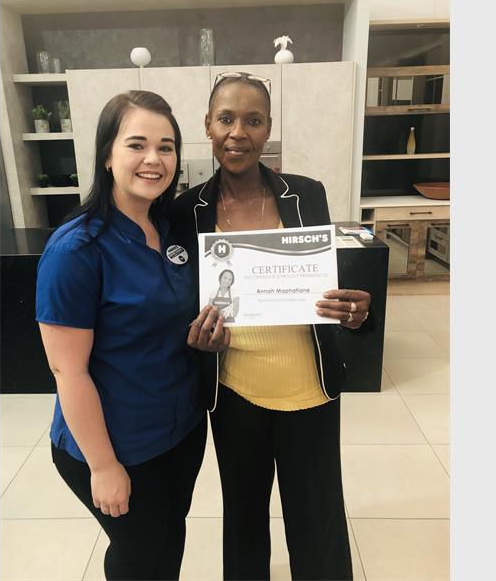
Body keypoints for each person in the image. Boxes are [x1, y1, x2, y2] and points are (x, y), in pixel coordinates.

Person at [169, 71, 373, 581]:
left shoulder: (307, 194)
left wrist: (353, 313)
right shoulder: (184, 211)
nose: (238, 132)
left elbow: (326, 287)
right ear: (207, 126)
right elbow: (176, 301)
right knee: (243, 522)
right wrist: (195, 339)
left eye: (253, 120)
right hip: (235, 394)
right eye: (226, 119)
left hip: (311, 390)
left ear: (268, 128)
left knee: (318, 523)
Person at [35, 90, 227, 580]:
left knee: (169, 536)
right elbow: (67, 370)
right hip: (116, 443)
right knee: (139, 552)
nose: (153, 159)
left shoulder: (170, 229)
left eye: (166, 147)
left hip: (180, 429)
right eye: (137, 144)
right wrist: (103, 466)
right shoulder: (77, 250)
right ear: (107, 155)